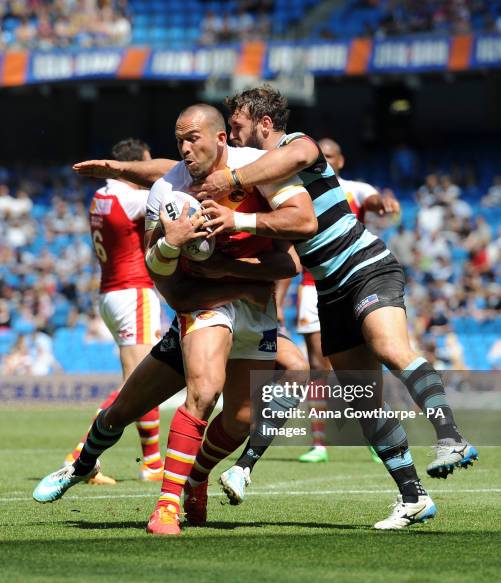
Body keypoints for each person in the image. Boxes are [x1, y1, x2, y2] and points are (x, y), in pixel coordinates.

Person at [191, 85, 477, 529]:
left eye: (237, 125)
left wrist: (232, 185)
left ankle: (451, 437)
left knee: (389, 347)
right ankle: (414, 497)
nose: (231, 133)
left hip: (365, 266)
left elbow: (302, 154)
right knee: (363, 399)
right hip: (330, 289)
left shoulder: (295, 145)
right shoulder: (256, 175)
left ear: (264, 124)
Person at [33, 104, 314, 537]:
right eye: (179, 139)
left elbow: (298, 237)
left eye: (193, 138)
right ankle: (141, 494)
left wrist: (233, 239)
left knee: (239, 418)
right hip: (201, 304)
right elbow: (163, 279)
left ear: (221, 139)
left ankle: (196, 477)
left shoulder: (254, 170)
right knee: (190, 395)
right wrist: (171, 245)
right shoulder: (167, 191)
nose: (184, 148)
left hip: (254, 309)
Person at [63, 138, 165, 484]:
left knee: (142, 381)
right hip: (133, 292)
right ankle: (81, 456)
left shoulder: (101, 196)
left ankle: (152, 463)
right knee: (137, 384)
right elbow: (166, 181)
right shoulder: (133, 198)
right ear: (135, 166)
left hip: (110, 293)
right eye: (145, 166)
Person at [295, 137, 400, 464]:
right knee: (318, 366)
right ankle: (319, 443)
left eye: (329, 156)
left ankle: (375, 431)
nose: (324, 159)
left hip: (351, 283)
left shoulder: (354, 188)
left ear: (339, 161)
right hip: (311, 288)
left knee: (364, 365)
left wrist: (381, 203)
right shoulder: (298, 190)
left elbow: (370, 201)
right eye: (320, 155)